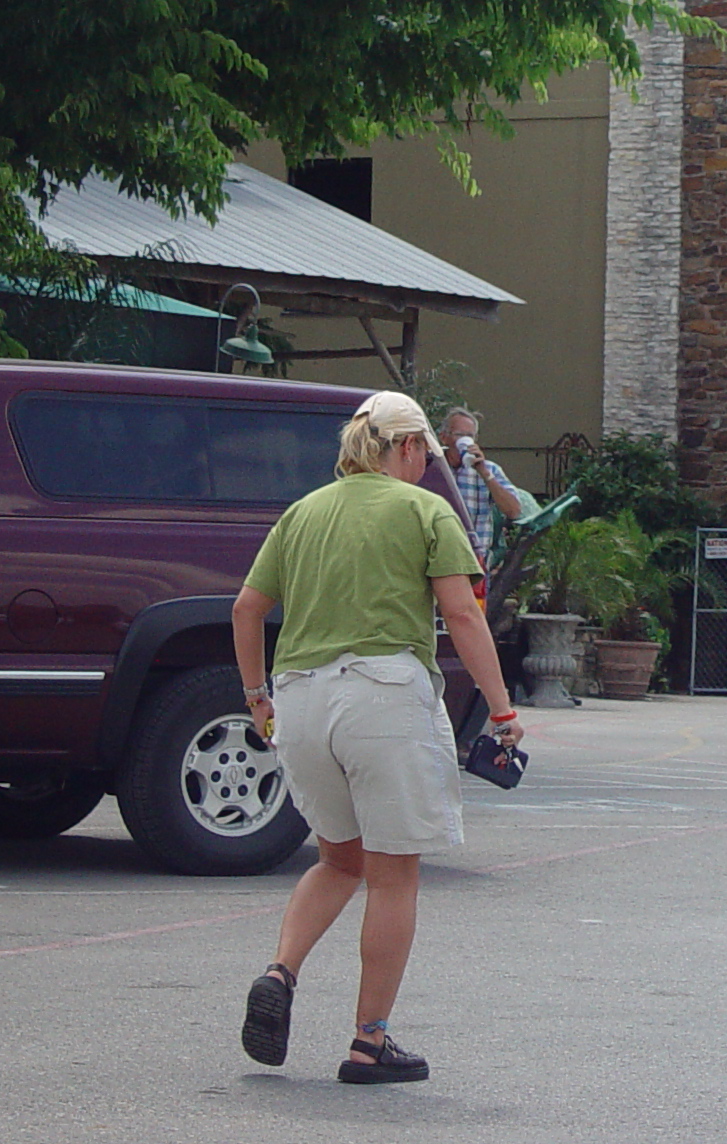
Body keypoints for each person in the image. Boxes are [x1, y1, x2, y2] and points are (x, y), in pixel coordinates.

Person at [231, 390, 524, 1086]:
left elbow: (247, 610)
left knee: (339, 859)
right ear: (411, 447)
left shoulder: (303, 511)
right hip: (383, 695)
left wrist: (256, 699)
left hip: (300, 700)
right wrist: (503, 712)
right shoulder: (424, 509)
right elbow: (462, 615)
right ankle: (369, 1042)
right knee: (394, 872)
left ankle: (281, 970)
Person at [442, 406, 529, 566]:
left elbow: (514, 511)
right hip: (437, 558)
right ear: (444, 438)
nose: (465, 440)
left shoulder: (489, 469)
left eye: (470, 436)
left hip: (474, 560)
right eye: (460, 435)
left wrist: (484, 472)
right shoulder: (431, 466)